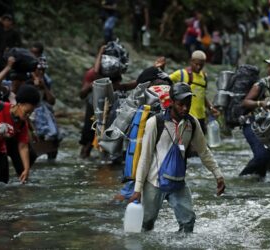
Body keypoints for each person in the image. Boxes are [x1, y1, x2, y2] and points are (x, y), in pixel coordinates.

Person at [129, 82, 225, 232]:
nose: (185, 108)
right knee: (146, 224)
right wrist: (138, 189)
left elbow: (203, 151)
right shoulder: (155, 123)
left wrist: (218, 175)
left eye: (188, 104)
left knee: (188, 222)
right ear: (171, 102)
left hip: (178, 182)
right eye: (181, 104)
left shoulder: (191, 123)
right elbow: (145, 157)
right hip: (155, 183)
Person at [79, 45, 137, 158]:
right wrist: (91, 86)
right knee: (89, 137)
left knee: (110, 135)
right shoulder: (93, 74)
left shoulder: (116, 74)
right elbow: (82, 94)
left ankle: (107, 156)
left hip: (110, 110)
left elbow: (120, 87)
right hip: (95, 108)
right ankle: (85, 155)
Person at [169, 50, 219, 134]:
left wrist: (210, 107)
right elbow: (165, 81)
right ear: (191, 61)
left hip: (201, 117)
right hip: (186, 115)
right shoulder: (181, 74)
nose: (198, 67)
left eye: (201, 65)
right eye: (196, 64)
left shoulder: (204, 76)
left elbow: (202, 95)